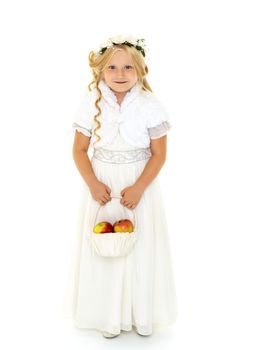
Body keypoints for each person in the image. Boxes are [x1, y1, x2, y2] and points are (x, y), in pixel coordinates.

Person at [62, 35, 178, 339]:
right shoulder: (91, 103)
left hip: (140, 184)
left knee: (140, 245)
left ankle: (141, 313)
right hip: (103, 185)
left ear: (140, 70)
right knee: (104, 247)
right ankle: (107, 314)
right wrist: (92, 183)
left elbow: (159, 154)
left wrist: (139, 187)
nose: (120, 74)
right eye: (112, 67)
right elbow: (78, 150)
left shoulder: (151, 106)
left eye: (128, 67)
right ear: (100, 71)